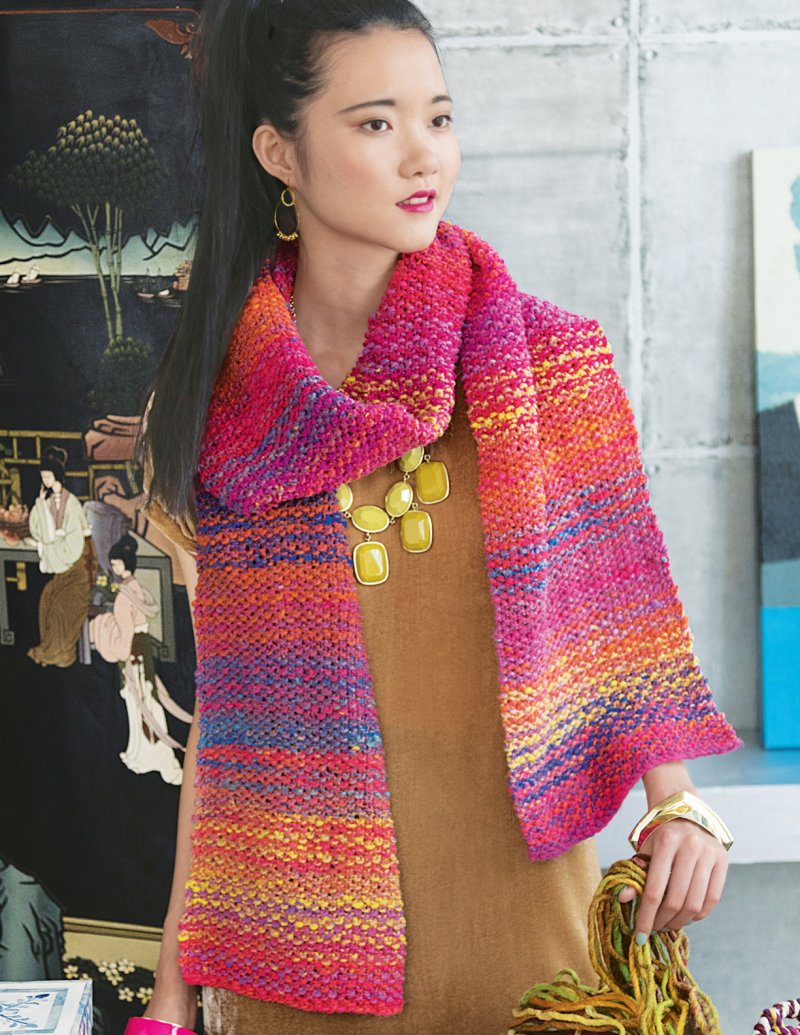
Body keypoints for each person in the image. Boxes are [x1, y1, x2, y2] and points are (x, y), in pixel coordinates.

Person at [134, 2, 742, 1033]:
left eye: (439, 117)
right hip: (299, 970)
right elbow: (229, 731)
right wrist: (170, 989)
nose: (424, 154)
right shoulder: (224, 408)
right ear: (279, 152)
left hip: (532, 958)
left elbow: (619, 630)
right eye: (377, 123)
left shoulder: (541, 367)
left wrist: (676, 805)